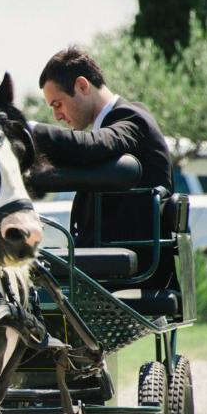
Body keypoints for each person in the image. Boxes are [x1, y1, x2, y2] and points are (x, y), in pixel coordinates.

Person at [32, 47, 175, 286]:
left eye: (58, 104)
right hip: (118, 259)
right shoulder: (125, 118)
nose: (57, 116)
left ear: (82, 86)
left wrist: (29, 129)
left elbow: (91, 147)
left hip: (132, 270)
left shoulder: (132, 119)